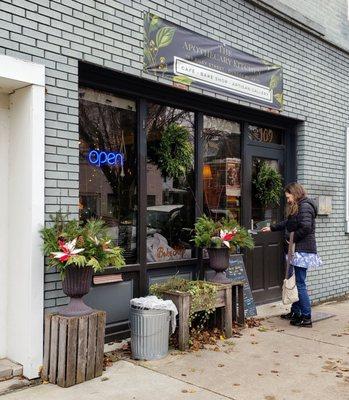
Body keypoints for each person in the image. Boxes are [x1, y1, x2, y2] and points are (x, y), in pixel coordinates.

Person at [261, 182, 322, 328]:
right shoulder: (298, 206)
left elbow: (306, 228)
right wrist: (271, 227)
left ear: (295, 194)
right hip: (296, 250)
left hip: (302, 250)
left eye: (288, 197)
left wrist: (292, 239)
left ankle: (306, 317)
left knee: (299, 283)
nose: (287, 200)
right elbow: (288, 223)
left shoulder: (305, 206)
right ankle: (295, 311)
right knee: (292, 281)